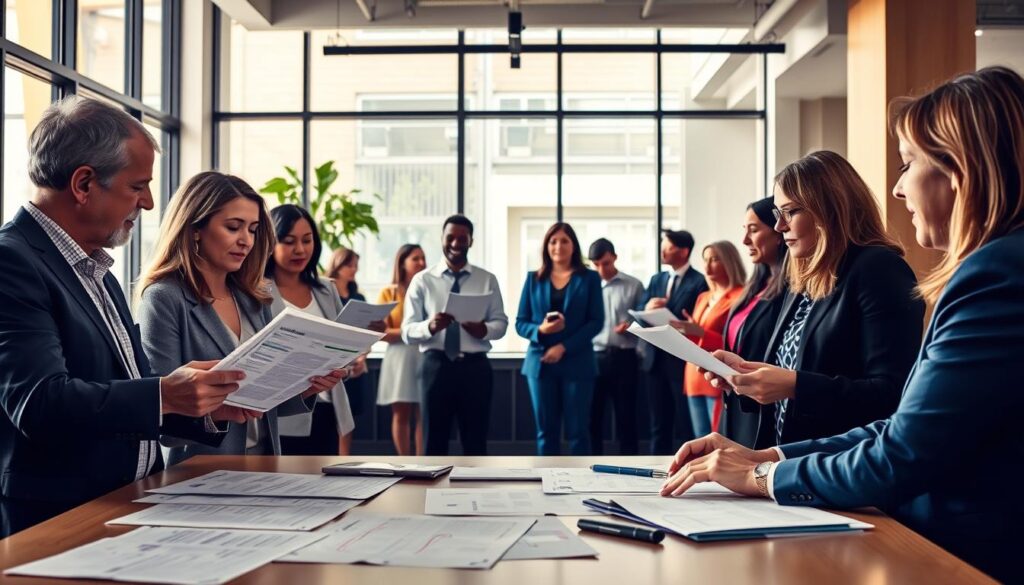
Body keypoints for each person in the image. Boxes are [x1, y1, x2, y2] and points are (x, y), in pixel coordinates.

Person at [660, 65, 1024, 584]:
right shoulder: (993, 269)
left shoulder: (995, 275)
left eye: (908, 164)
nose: (898, 189)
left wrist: (763, 475)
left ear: (960, 169)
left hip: (968, 554)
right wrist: (767, 456)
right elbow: (902, 429)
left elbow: (902, 445)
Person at [0, 97, 243, 536]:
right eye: (137, 186)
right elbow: (39, 404)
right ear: (84, 183)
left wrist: (206, 406)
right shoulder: (11, 261)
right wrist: (164, 394)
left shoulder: (97, 267)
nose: (149, 203)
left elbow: (121, 393)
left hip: (125, 503)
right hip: (55, 518)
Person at [711, 151, 925, 448]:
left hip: (844, 467)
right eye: (777, 214)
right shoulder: (803, 275)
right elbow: (795, 374)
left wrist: (795, 386)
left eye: (790, 212)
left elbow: (892, 392)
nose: (779, 227)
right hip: (787, 462)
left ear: (830, 209)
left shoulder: (878, 268)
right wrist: (745, 375)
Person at [137, 174, 342, 463]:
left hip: (266, 465)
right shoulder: (164, 298)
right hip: (201, 473)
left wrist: (307, 387)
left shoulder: (253, 298)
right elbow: (163, 417)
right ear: (195, 228)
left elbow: (262, 402)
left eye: (253, 229)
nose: (246, 240)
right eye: (233, 227)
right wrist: (217, 412)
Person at [402, 214, 509, 456]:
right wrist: (430, 326)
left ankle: (475, 493)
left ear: (471, 241)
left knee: (475, 442)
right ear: (442, 238)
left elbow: (501, 323)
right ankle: (430, 493)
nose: (455, 243)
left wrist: (485, 330)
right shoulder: (423, 280)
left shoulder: (487, 279)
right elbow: (407, 331)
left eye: (463, 238)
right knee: (433, 442)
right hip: (435, 367)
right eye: (450, 237)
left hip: (476, 369)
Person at [264, 204, 358, 456]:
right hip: (282, 413)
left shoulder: (326, 289)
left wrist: (348, 362)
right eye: (289, 241)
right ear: (269, 243)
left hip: (328, 408)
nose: (300, 249)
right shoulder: (256, 292)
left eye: (307, 240)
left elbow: (341, 347)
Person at [516, 223, 604, 456]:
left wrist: (563, 347)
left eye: (564, 241)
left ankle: (582, 486)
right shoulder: (533, 279)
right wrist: (541, 330)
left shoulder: (590, 278)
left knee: (578, 433)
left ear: (574, 245)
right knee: (546, 433)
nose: (558, 246)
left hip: (578, 363)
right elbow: (520, 322)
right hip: (540, 364)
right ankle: (547, 484)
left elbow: (597, 321)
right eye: (553, 241)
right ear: (546, 246)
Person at [718, 197, 789, 448]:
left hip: (764, 410)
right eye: (744, 231)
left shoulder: (791, 292)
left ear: (779, 230)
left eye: (754, 230)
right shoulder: (754, 287)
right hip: (736, 404)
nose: (745, 241)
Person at [637, 229, 708, 454]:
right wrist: (647, 308)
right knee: (658, 423)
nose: (662, 251)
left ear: (683, 251)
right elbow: (640, 309)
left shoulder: (699, 282)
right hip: (654, 359)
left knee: (685, 423)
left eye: (668, 247)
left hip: (680, 360)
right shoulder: (656, 279)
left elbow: (697, 321)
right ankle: (655, 470)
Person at [676, 241, 746, 437]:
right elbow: (697, 336)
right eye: (705, 260)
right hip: (693, 372)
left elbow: (735, 340)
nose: (707, 266)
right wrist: (686, 330)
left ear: (730, 262)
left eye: (714, 260)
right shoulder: (704, 297)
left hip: (717, 374)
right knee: (700, 437)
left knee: (717, 437)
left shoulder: (740, 296)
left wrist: (699, 332)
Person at [587, 238, 645, 456]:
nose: (602, 269)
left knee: (626, 416)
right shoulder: (587, 286)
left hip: (625, 358)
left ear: (615, 258)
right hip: (594, 357)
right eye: (597, 265)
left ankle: (630, 465)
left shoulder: (634, 285)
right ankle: (590, 465)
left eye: (606, 263)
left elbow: (645, 320)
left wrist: (631, 326)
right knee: (592, 417)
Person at [324, 247, 379, 455]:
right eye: (349, 264)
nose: (354, 269)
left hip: (355, 365)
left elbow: (365, 337)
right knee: (331, 415)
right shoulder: (324, 294)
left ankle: (343, 459)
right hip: (332, 364)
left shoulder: (359, 298)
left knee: (349, 416)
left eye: (356, 265)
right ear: (337, 265)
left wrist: (363, 357)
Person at [376, 244, 428, 455]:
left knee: (424, 414)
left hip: (424, 354)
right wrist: (412, 331)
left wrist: (405, 331)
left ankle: (422, 461)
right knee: (401, 414)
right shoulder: (388, 292)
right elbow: (380, 331)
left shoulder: (427, 290)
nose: (422, 263)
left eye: (423, 258)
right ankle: (405, 461)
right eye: (416, 258)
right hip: (398, 358)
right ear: (402, 262)